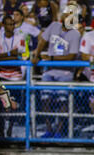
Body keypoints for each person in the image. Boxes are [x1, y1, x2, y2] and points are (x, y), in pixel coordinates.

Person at [31, 6, 81, 138]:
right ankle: (49, 130)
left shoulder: (75, 34)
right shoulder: (53, 26)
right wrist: (37, 54)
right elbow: (43, 40)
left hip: (65, 73)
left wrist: (51, 58)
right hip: (49, 71)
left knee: (62, 102)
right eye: (67, 14)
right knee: (45, 100)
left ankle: (59, 131)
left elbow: (71, 56)